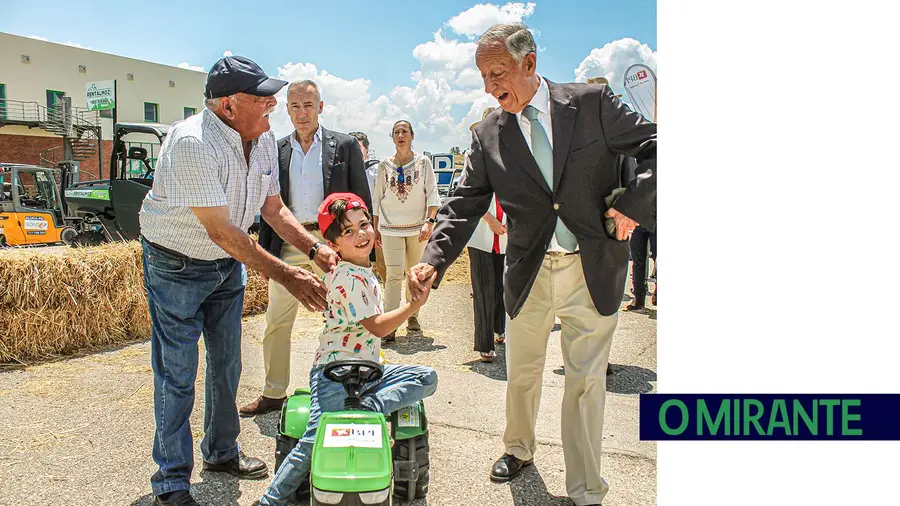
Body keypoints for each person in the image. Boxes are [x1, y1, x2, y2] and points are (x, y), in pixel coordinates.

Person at [407, 23, 656, 506]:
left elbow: (656, 146)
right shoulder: (486, 134)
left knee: (585, 383)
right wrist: (434, 259)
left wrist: (633, 204)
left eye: (497, 72)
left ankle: (585, 487)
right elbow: (463, 204)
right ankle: (518, 448)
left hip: (592, 267)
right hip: (529, 271)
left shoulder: (591, 105)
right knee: (521, 371)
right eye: (482, 75)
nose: (489, 85)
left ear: (530, 63)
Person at [138, 56, 339, 506]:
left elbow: (273, 209)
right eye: (261, 98)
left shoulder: (262, 137)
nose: (273, 104)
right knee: (177, 373)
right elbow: (222, 231)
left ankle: (222, 452)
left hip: (226, 264)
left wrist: (313, 249)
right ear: (228, 106)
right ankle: (170, 480)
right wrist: (287, 274)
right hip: (177, 264)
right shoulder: (191, 142)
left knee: (228, 363)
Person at [258, 192, 439, 505]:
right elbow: (378, 327)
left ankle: (366, 408)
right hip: (335, 372)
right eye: (348, 231)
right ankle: (270, 500)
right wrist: (412, 305)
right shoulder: (349, 277)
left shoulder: (364, 272)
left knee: (426, 376)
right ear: (333, 244)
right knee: (312, 439)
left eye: (365, 224)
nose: (361, 234)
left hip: (370, 371)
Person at [241, 80, 371, 418]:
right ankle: (273, 392)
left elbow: (362, 200)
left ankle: (349, 389)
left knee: (348, 318)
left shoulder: (344, 146)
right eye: (295, 106)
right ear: (287, 110)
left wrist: (361, 250)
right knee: (277, 322)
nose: (302, 113)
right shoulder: (277, 148)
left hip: (333, 248)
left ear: (321, 107)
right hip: (288, 245)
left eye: (308, 105)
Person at [372, 120, 441, 341]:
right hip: (390, 228)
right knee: (393, 275)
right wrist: (375, 228)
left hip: (417, 229)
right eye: (396, 132)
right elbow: (376, 199)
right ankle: (389, 325)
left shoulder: (423, 163)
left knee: (416, 275)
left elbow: (432, 194)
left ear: (412, 136)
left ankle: (412, 315)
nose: (400, 135)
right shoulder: (384, 165)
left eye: (404, 131)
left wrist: (429, 222)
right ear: (392, 138)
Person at [466, 107, 507, 363]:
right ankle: (484, 343)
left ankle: (500, 329)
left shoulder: (514, 156)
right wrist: (489, 218)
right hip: (482, 234)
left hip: (507, 234)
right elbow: (468, 194)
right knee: (483, 290)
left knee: (503, 288)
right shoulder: (474, 157)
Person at [349, 130, 387, 282]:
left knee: (382, 263)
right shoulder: (345, 169)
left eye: (358, 148)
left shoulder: (376, 170)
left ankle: (392, 300)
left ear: (367, 149)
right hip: (355, 223)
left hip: (376, 222)